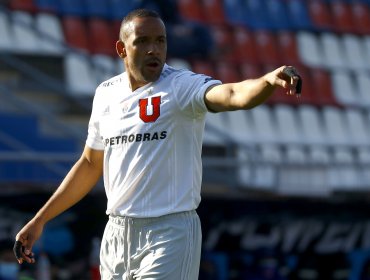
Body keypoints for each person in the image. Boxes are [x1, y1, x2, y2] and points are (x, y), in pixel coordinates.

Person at [13, 8, 301, 280]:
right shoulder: (106, 94)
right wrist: (40, 219)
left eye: (160, 41)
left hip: (169, 232)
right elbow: (90, 164)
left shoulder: (181, 87)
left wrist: (266, 82)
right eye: (143, 41)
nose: (154, 49)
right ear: (122, 49)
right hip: (116, 233)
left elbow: (233, 94)